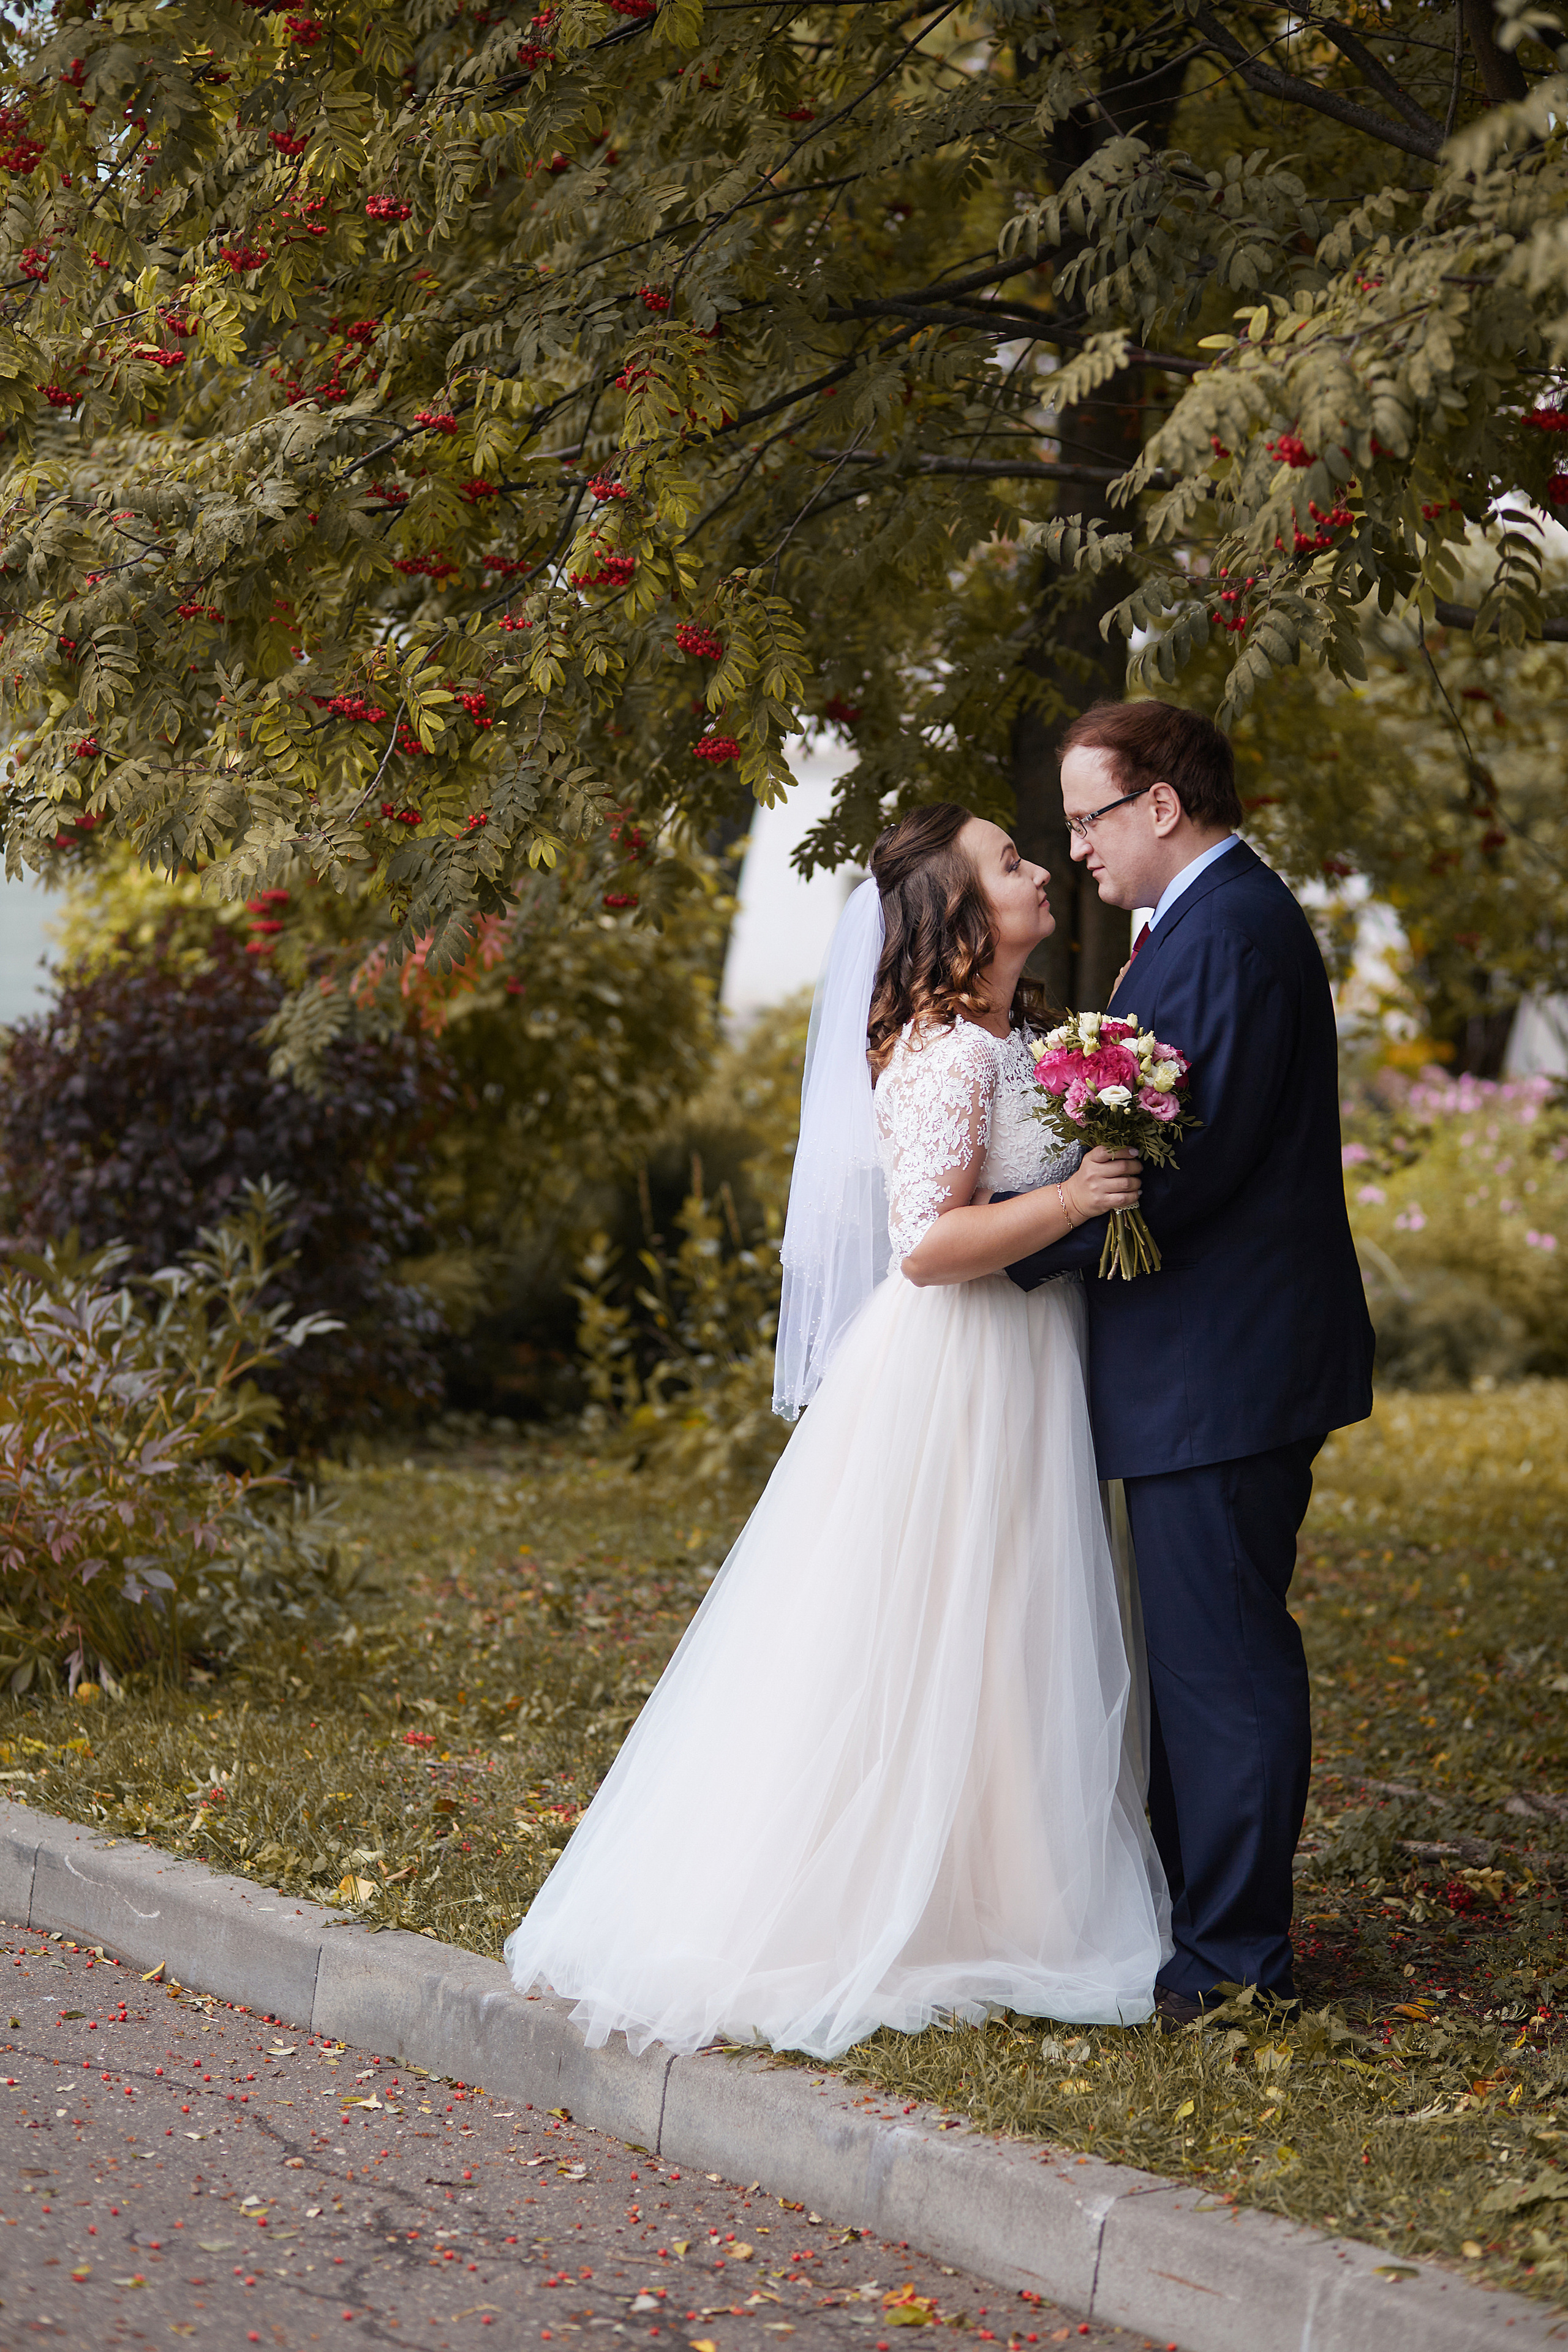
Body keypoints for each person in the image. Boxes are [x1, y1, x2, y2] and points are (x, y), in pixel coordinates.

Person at [505, 803, 1170, 2060]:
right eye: (1012, 864)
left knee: (1006, 1620)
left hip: (1025, 1362)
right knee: (932, 1621)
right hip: (959, 1371)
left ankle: (1005, 1890)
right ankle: (879, 1899)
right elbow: (926, 1247)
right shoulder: (947, 1055)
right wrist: (1081, 1193)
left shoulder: (1013, 1039)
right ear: (963, 918)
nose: (1037, 873)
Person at [1000, 700, 1375, 2019]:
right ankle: (1187, 1925)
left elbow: (1182, 1161)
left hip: (1224, 1366)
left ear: (1159, 806)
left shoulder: (1226, 931)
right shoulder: (1197, 927)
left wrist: (1004, 1247)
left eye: (1088, 817)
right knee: (1197, 1663)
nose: (1075, 847)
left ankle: (1232, 1966)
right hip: (1204, 1363)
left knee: (1221, 1667)